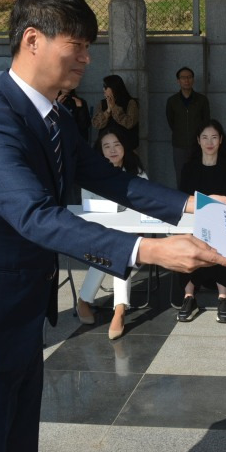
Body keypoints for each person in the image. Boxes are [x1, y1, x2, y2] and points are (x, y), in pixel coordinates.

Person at [0, 0, 226, 452]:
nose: (86, 58)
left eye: (88, 46)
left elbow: (111, 179)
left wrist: (197, 205)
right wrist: (149, 250)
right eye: (77, 45)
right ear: (32, 40)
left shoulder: (55, 118)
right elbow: (35, 216)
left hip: (22, 328)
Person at [77, 125, 147, 339]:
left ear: (124, 147)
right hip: (99, 233)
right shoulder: (92, 174)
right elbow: (88, 207)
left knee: (118, 249)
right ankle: (119, 308)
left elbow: (146, 203)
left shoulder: (137, 171)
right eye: (107, 146)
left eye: (117, 144)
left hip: (132, 235)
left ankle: (89, 301)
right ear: (100, 151)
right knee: (113, 249)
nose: (113, 150)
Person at [176, 119, 226, 323]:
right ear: (198, 140)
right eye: (205, 137)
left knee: (222, 238)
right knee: (186, 238)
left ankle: (223, 297)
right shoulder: (189, 168)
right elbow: (183, 199)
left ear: (221, 140)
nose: (209, 142)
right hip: (194, 222)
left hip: (221, 221)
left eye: (214, 137)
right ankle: (189, 296)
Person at [166, 66, 211, 187]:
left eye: (189, 77)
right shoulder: (172, 101)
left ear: (193, 80)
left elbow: (206, 121)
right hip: (179, 145)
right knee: (181, 176)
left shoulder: (202, 100)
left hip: (198, 145)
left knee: (200, 175)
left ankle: (199, 198)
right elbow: (171, 121)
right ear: (178, 81)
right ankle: (183, 199)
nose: (187, 80)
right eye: (183, 78)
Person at [91, 74, 139, 149]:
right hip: (106, 146)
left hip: (125, 145)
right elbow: (96, 124)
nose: (103, 89)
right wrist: (107, 111)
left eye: (106, 87)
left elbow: (130, 123)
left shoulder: (130, 102)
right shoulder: (102, 103)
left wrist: (114, 108)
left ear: (114, 87)